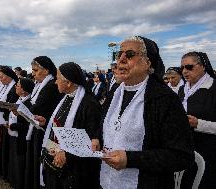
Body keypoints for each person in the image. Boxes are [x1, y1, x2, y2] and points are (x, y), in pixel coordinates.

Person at [100, 36, 194, 189]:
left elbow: (181, 156)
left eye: (129, 54)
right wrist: (96, 139)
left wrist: (130, 159)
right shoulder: (114, 93)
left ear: (147, 63)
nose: (121, 59)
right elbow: (108, 128)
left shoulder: (165, 99)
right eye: (119, 55)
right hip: (107, 181)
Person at [35, 62, 101, 189]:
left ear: (69, 83)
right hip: (57, 160)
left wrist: (68, 154)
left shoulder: (89, 104)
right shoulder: (66, 98)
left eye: (58, 79)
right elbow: (63, 122)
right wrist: (47, 121)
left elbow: (94, 139)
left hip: (75, 170)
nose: (55, 83)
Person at [178, 51, 216, 189]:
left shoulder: (213, 88)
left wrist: (198, 124)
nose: (184, 71)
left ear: (202, 66)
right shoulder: (182, 89)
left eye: (189, 67)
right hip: (186, 148)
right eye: (181, 68)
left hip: (209, 151)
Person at [25, 56, 63, 189]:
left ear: (46, 71)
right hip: (38, 127)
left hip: (46, 131)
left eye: (35, 70)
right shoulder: (40, 85)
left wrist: (20, 108)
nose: (32, 73)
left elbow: (37, 107)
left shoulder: (52, 86)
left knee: (44, 163)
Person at [7, 78, 35, 189]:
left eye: (17, 85)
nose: (15, 87)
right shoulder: (20, 99)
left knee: (20, 163)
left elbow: (27, 125)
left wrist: (12, 126)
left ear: (24, 90)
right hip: (14, 136)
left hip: (21, 139)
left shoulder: (28, 103)